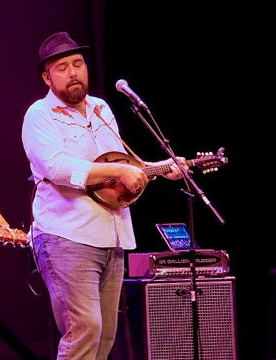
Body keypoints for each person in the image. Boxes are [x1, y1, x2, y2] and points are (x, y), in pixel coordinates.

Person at [21, 31, 186, 360]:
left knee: (106, 337)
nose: (73, 72)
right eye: (62, 67)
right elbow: (57, 168)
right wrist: (118, 173)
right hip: (66, 235)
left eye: (78, 64)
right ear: (46, 76)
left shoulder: (100, 108)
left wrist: (157, 169)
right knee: (85, 329)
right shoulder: (39, 115)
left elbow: (119, 166)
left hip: (111, 236)